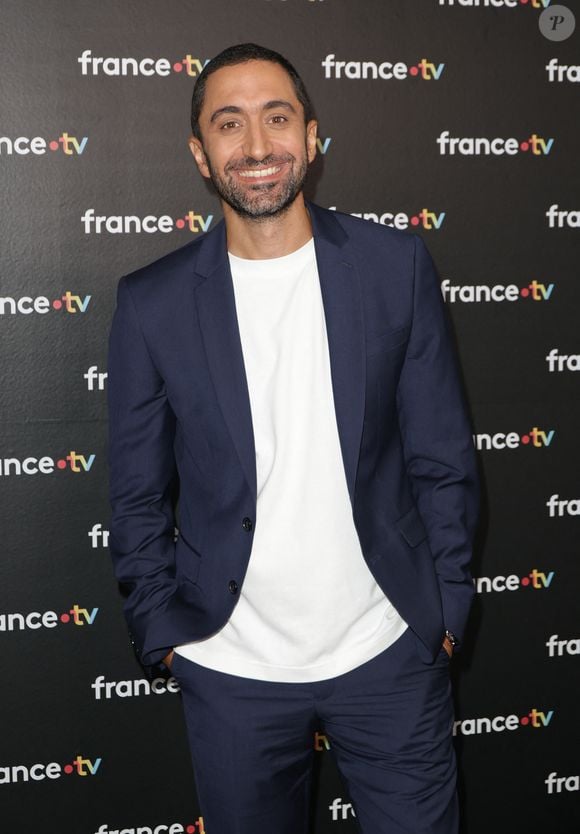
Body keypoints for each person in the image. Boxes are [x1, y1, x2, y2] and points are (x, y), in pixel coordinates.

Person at [107, 42, 479, 834]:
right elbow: (136, 495)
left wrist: (443, 609)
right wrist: (166, 635)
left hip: (389, 652)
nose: (257, 147)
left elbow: (442, 457)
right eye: (229, 124)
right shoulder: (152, 303)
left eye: (277, 119)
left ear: (311, 136)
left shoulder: (395, 266)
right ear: (201, 156)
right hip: (230, 665)